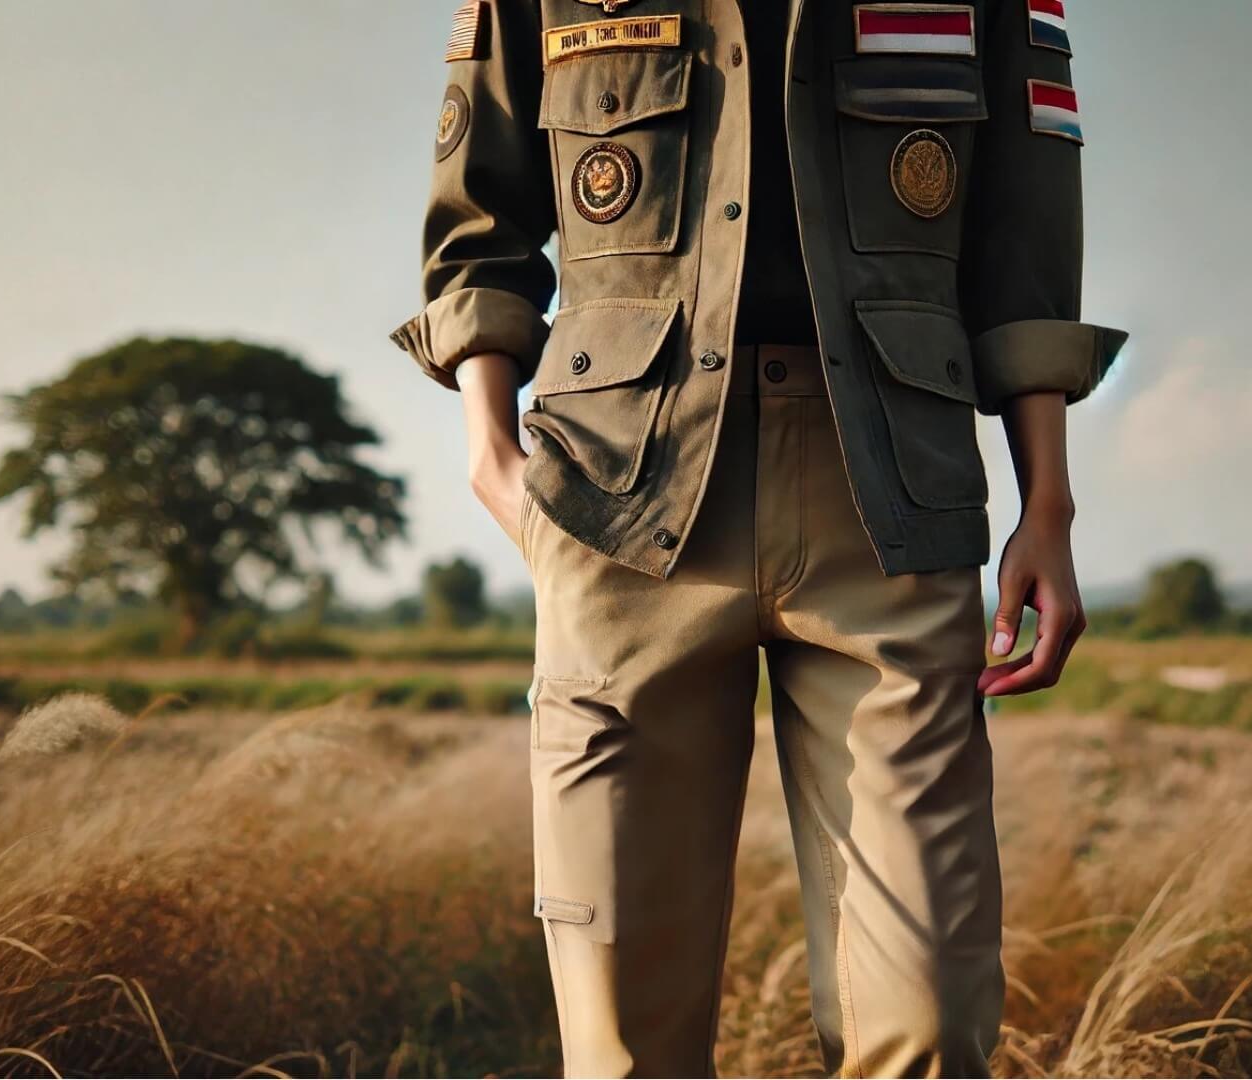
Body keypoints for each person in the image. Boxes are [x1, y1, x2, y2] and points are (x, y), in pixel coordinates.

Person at [390, 1, 1125, 1074]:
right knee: (624, 1043)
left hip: (892, 505)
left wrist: (1046, 504)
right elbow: (478, 223)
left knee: (927, 1022)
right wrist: (491, 455)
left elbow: (1027, 233)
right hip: (621, 508)